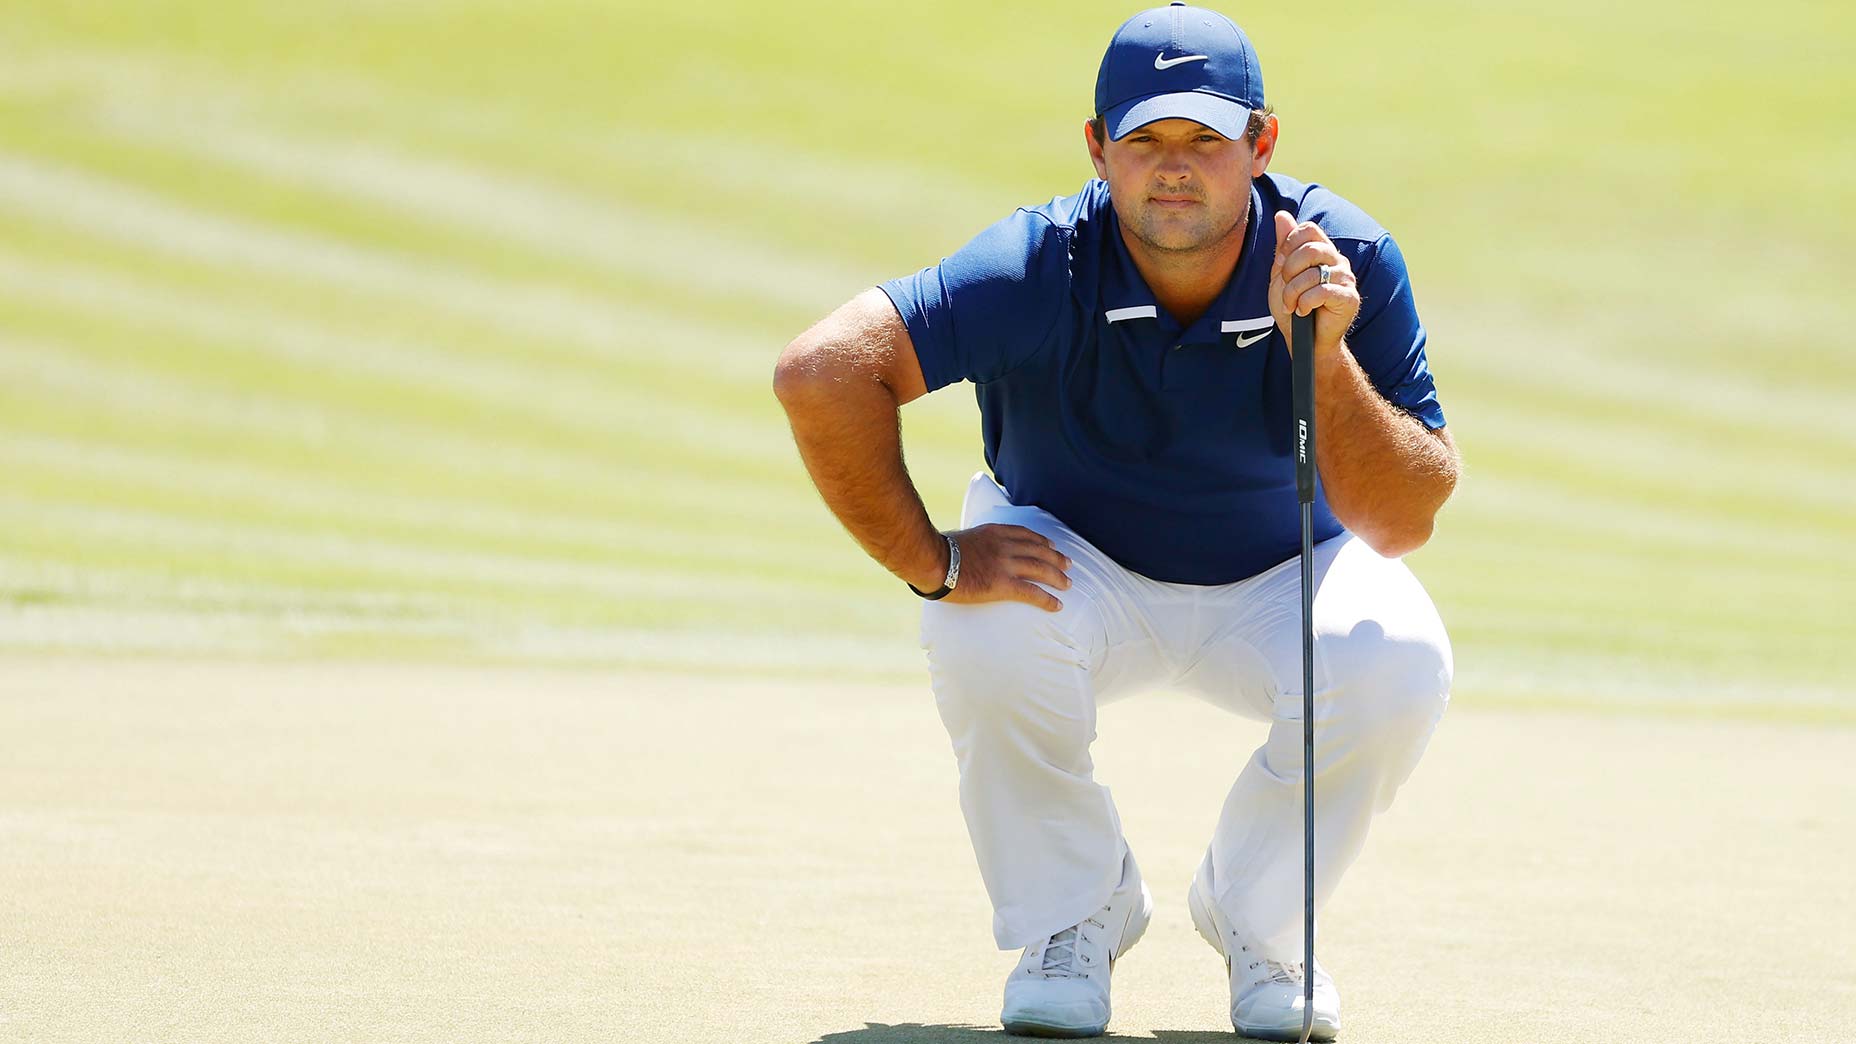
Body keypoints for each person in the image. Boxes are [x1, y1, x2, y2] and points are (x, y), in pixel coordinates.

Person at [772, 3, 1457, 1039]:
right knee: (979, 626)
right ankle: (1073, 913)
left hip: (1284, 576)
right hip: (1074, 570)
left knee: (1396, 654)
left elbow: (1402, 520)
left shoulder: (1340, 255)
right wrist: (934, 561)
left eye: (1204, 141)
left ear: (1260, 143)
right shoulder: (1038, 264)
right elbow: (822, 372)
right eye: (1142, 141)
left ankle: (1256, 919)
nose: (1172, 168)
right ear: (1096, 148)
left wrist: (1318, 354)